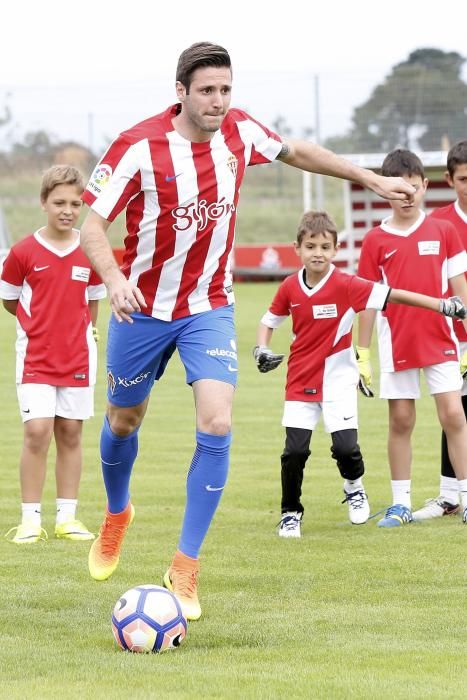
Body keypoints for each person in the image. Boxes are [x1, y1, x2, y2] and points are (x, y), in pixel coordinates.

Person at [78, 41, 416, 621]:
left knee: (217, 420)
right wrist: (112, 278)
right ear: (180, 91)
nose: (218, 101)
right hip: (143, 307)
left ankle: (185, 567)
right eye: (207, 90)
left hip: (209, 306)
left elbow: (298, 151)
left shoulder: (239, 132)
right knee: (122, 420)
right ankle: (117, 513)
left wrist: (370, 179)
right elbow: (91, 225)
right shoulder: (138, 146)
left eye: (226, 90)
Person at [253, 210, 466, 537]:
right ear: (297, 248)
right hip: (299, 381)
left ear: (336, 250)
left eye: (325, 247)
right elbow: (269, 321)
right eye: (310, 247)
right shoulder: (289, 287)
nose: (318, 253)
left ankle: (354, 487)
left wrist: (442, 305)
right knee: (294, 452)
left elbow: (394, 294)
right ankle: (290, 512)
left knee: (346, 449)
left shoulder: (347, 284)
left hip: (338, 382)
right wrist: (261, 348)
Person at [356, 149, 467, 528]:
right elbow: (368, 301)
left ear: (424, 187)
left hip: (441, 340)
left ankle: (465, 499)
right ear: (385, 192)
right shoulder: (374, 241)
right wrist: (363, 351)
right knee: (401, 419)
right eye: (398, 191)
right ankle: (401, 504)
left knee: (453, 414)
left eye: (413, 189)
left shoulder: (443, 230)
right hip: (396, 342)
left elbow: (459, 287)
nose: (406, 197)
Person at [0, 165, 106, 544]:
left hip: (78, 357)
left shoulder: (90, 250)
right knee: (37, 432)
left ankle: (67, 517)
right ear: (43, 202)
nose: (67, 210)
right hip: (35, 359)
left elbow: (93, 301)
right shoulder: (23, 252)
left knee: (71, 433)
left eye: (75, 204)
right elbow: (9, 299)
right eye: (59, 202)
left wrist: (85, 333)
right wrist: (39, 326)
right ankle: (30, 519)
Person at [412, 141, 467, 520]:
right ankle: (450, 496)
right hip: (451, 336)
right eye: (463, 178)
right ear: (448, 179)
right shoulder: (440, 224)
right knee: (455, 413)